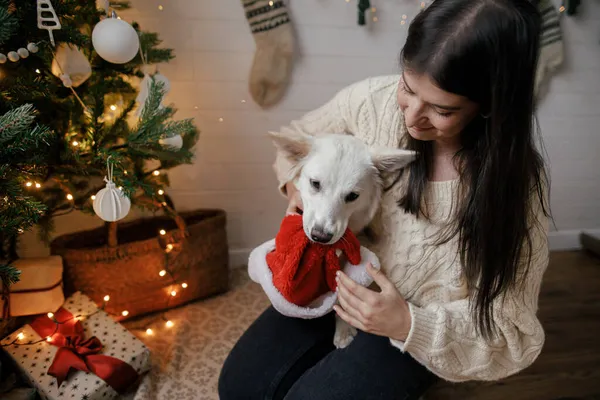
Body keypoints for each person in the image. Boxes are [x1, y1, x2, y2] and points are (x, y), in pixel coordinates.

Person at [218, 0, 551, 398]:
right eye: (407, 89)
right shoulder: (372, 102)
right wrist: (299, 196)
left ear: (489, 105)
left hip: (411, 323)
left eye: (442, 110)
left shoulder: (514, 189)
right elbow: (297, 140)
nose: (412, 118)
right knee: (239, 385)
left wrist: (408, 324)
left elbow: (510, 331)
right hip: (334, 280)